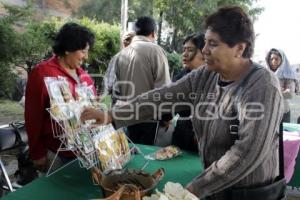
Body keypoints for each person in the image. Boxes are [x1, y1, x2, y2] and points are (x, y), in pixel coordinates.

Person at [80, 6, 284, 199]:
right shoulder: (205, 75)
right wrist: (112, 115)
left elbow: (246, 152)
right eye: (205, 42)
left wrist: (194, 189)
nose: (204, 50)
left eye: (213, 44)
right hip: (214, 189)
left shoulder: (262, 85)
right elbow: (162, 97)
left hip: (248, 192)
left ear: (240, 48)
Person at [25, 22, 96, 173]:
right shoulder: (42, 73)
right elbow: (33, 117)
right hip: (54, 153)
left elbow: (93, 110)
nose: (86, 56)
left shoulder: (85, 78)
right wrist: (37, 153)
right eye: (83, 51)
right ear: (68, 49)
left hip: (84, 152)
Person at [114, 16, 171, 145]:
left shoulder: (122, 53)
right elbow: (164, 88)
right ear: (153, 33)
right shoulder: (156, 50)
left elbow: (118, 88)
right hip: (149, 118)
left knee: (133, 155)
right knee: (148, 157)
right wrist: (167, 116)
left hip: (128, 116)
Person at [169, 33, 205, 151]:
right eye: (184, 49)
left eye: (190, 50)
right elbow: (168, 98)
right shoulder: (182, 77)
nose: (184, 54)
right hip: (182, 137)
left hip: (204, 141)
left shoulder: (216, 77)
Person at [266, 48, 297, 123]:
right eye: (271, 59)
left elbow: (289, 95)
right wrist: (281, 89)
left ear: (282, 61)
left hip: (282, 112)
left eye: (276, 59)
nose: (273, 61)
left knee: (283, 134)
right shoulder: (264, 73)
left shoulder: (288, 75)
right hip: (266, 112)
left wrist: (271, 90)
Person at [104, 31, 136, 105]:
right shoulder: (138, 58)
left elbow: (108, 81)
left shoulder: (117, 57)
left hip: (119, 95)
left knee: (118, 115)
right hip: (132, 95)